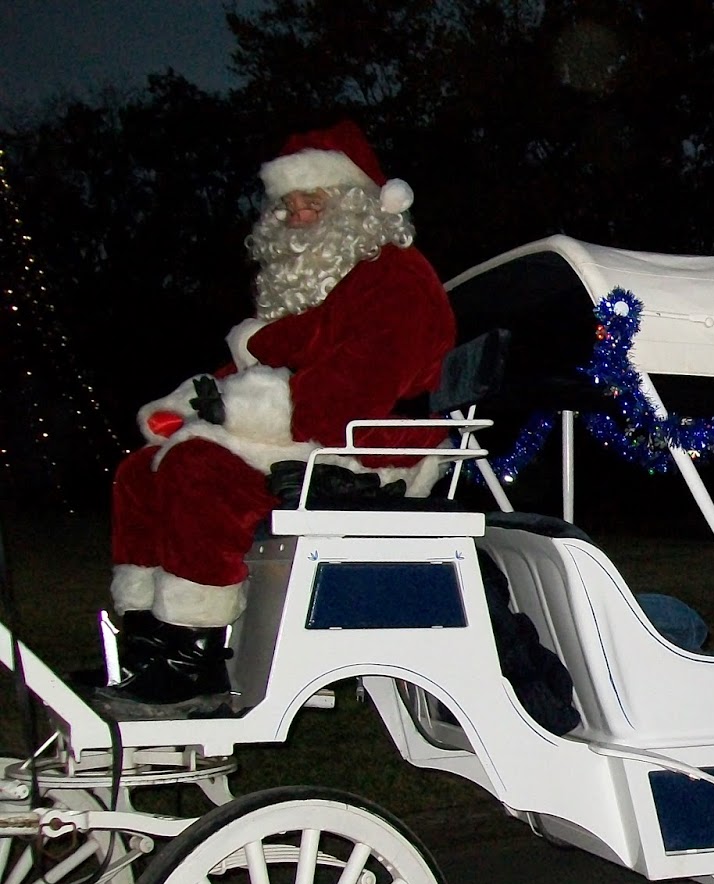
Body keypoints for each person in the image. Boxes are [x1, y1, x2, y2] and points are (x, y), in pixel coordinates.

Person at [101, 119, 456, 711]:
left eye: (310, 202)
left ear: (355, 206)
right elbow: (257, 369)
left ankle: (195, 656)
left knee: (198, 471)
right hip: (307, 442)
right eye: (287, 205)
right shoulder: (321, 287)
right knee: (141, 472)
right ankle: (149, 644)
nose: (296, 217)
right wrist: (183, 406)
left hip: (363, 451)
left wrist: (231, 411)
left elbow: (349, 392)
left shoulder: (397, 279)